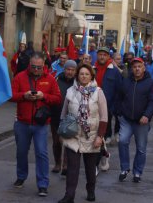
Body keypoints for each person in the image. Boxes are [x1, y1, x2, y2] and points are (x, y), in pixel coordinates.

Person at [11, 52, 61, 197]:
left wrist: (43, 96)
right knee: (21, 152)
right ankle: (21, 176)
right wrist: (23, 96)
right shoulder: (20, 77)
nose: (36, 70)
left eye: (39, 67)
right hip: (22, 122)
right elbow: (11, 95)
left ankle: (43, 184)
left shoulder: (50, 79)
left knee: (41, 153)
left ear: (44, 65)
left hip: (41, 124)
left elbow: (57, 98)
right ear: (29, 65)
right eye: (33, 67)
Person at [58, 63, 108, 203]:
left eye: (87, 74)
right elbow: (63, 114)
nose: (84, 76)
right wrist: (62, 133)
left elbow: (104, 117)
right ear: (77, 76)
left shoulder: (98, 92)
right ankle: (69, 196)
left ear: (91, 75)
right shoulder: (70, 92)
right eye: (81, 74)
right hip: (73, 135)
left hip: (91, 136)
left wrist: (100, 136)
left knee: (90, 169)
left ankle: (90, 191)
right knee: (72, 169)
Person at [116, 58, 153, 182]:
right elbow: (119, 97)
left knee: (141, 148)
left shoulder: (150, 83)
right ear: (131, 69)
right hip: (126, 119)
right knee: (122, 141)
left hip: (142, 121)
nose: (137, 69)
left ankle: (137, 172)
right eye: (134, 67)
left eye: (139, 66)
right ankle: (124, 168)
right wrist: (119, 113)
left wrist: (147, 115)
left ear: (144, 68)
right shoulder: (126, 81)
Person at [50, 60, 77, 175]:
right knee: (57, 142)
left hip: (71, 117)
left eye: (72, 70)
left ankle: (66, 164)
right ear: (64, 69)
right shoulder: (56, 80)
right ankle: (57, 163)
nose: (69, 72)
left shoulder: (78, 82)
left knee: (68, 141)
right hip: (56, 115)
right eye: (67, 69)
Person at [94, 47, 122, 145]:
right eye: (100, 55)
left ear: (108, 57)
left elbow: (119, 89)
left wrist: (115, 105)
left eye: (104, 55)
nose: (102, 57)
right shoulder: (92, 69)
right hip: (94, 103)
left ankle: (108, 136)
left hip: (109, 103)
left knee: (107, 121)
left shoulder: (114, 71)